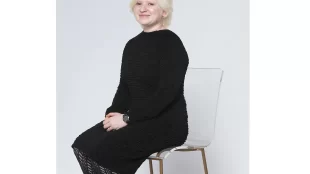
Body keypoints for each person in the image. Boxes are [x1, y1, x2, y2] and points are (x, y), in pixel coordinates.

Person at [71, 0, 189, 173]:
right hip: (139, 118)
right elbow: (125, 87)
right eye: (139, 3)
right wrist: (112, 113)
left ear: (164, 12)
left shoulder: (171, 44)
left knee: (107, 149)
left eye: (151, 4)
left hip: (166, 124)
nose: (143, 8)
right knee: (84, 143)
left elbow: (165, 95)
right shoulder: (132, 45)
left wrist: (127, 118)